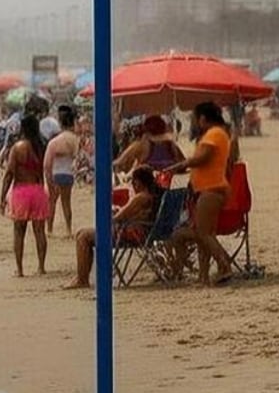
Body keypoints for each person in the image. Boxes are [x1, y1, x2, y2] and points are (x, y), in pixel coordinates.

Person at [170, 102, 239, 286]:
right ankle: (203, 276)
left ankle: (224, 265)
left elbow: (202, 158)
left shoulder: (214, 134)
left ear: (202, 118)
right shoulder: (218, 134)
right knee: (206, 235)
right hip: (209, 189)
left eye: (194, 119)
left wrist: (181, 165)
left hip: (211, 189)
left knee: (203, 234)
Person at [65, 166, 162, 288]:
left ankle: (82, 279)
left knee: (83, 236)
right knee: (82, 233)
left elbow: (118, 218)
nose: (132, 185)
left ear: (138, 182)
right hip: (143, 233)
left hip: (130, 235)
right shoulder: (153, 196)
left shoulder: (141, 197)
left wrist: (114, 212)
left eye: (133, 181)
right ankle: (81, 276)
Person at [0, 113, 49, 276]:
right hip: (38, 190)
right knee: (39, 231)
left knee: (19, 232)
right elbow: (44, 172)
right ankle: (41, 267)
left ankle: (20, 270)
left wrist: (2, 198)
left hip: (21, 192)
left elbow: (9, 175)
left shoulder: (18, 148)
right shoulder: (41, 148)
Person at [43, 105, 81, 235]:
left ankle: (49, 229)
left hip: (56, 173)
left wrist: (48, 180)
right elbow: (78, 157)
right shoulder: (74, 140)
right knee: (66, 203)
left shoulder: (55, 142)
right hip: (68, 174)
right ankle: (68, 229)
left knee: (52, 202)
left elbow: (47, 164)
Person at [115, 113, 186, 176]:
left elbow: (120, 163)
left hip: (148, 185)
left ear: (146, 131)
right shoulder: (170, 144)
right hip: (169, 183)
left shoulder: (140, 145)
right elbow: (184, 163)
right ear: (164, 129)